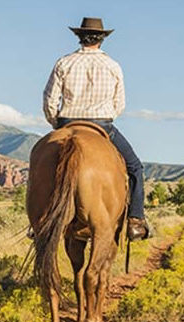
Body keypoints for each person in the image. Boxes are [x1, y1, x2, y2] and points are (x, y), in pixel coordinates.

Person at [43, 17, 149, 240]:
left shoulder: (64, 63)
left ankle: (38, 221)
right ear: (101, 39)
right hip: (101, 124)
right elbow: (119, 105)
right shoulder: (112, 66)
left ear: (80, 37)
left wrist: (57, 125)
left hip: (66, 123)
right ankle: (136, 220)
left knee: (40, 167)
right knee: (136, 169)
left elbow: (50, 100)